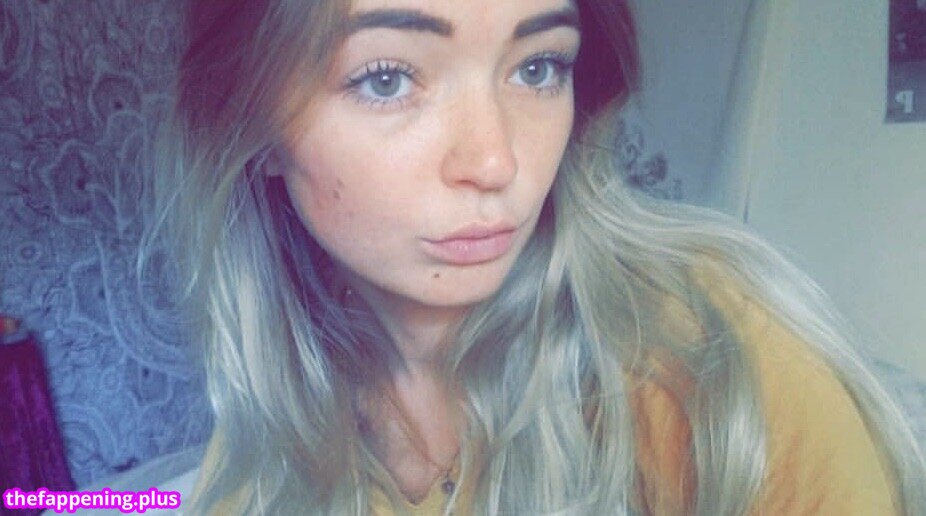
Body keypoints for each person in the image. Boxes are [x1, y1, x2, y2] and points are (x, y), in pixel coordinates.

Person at [137, 0, 926, 514]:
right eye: (386, 79)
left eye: (538, 67)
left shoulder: (712, 362)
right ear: (249, 123)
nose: (496, 161)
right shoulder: (275, 417)